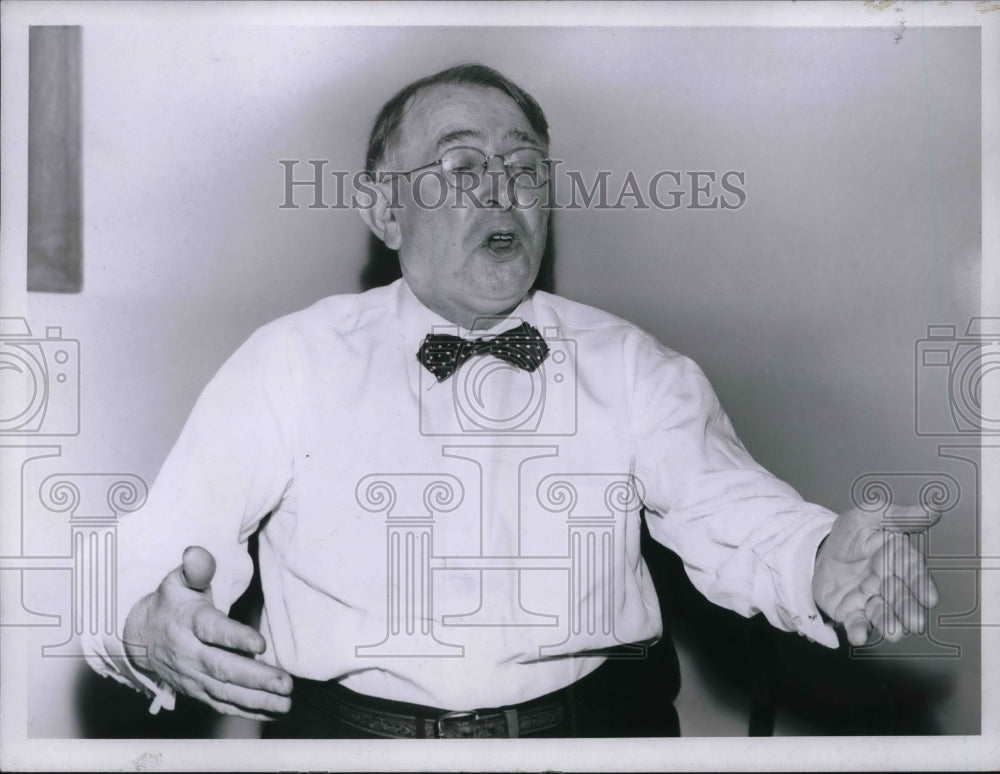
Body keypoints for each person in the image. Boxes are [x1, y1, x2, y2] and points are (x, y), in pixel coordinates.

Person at [83, 63, 939, 739]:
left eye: (523, 166)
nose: (501, 190)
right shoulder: (288, 362)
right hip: (351, 749)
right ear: (384, 209)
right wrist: (143, 624)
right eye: (461, 165)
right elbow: (151, 552)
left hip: (602, 739)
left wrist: (820, 559)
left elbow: (735, 508)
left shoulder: (631, 365)